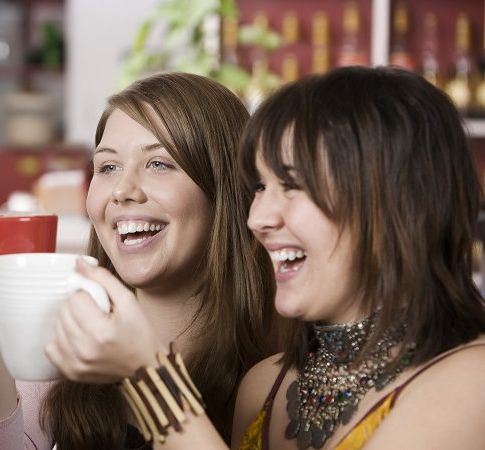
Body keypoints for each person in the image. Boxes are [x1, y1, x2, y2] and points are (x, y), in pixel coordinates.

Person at [47, 66, 485, 449]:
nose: (257, 218)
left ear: (394, 201)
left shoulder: (472, 382)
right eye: (259, 187)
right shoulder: (266, 386)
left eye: (293, 185)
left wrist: (149, 376)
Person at [0, 72, 280, 448]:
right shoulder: (63, 344)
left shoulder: (279, 381)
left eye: (158, 164)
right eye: (107, 167)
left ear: (226, 189)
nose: (122, 191)